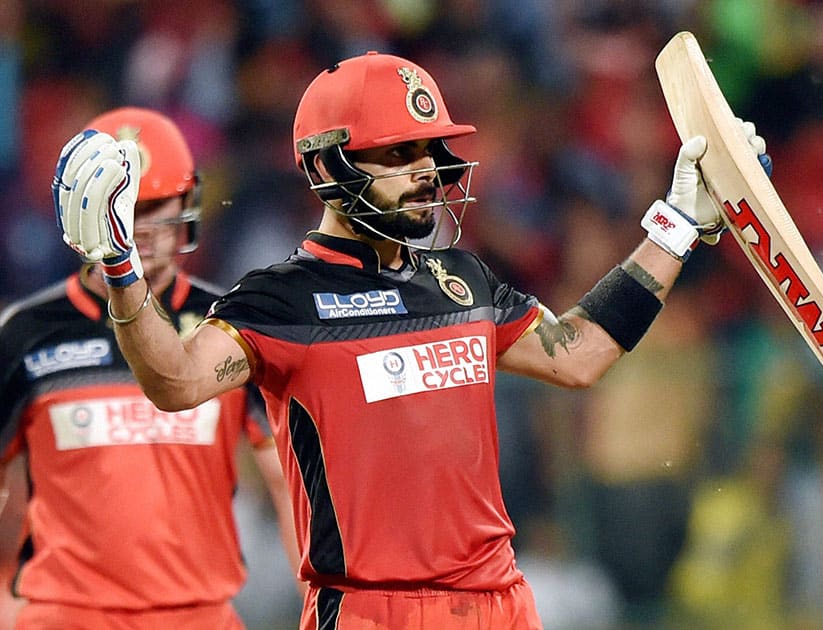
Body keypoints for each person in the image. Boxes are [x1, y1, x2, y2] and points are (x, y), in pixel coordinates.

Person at [51, 53, 769, 630]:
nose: (428, 169)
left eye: (431, 147)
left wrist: (675, 223)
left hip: (500, 603)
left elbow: (580, 355)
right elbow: (175, 381)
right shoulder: (281, 300)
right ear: (328, 168)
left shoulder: (464, 279)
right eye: (399, 152)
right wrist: (122, 270)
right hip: (372, 611)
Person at [1, 106, 300, 630]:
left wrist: (322, 601)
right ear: (82, 211)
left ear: (188, 202)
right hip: (64, 618)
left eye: (160, 206)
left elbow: (289, 479)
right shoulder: (26, 335)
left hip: (198, 617)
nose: (140, 231)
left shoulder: (231, 325)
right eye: (126, 209)